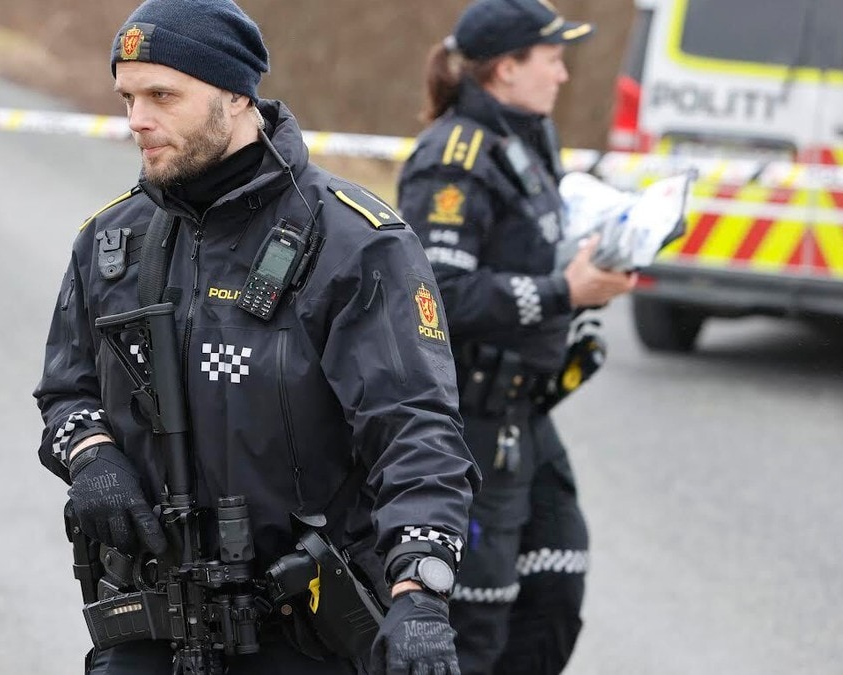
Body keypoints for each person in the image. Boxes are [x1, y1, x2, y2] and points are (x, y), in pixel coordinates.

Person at [33, 1, 480, 673]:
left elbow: (415, 429)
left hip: (302, 632)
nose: (137, 120)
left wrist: (420, 589)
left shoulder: (356, 243)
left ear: (237, 95)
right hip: (151, 624)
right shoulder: (111, 240)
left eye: (162, 96)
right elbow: (66, 389)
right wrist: (92, 455)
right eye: (128, 98)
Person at [396, 1, 638, 673]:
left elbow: (529, 246)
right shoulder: (455, 156)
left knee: (554, 595)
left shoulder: (529, 137)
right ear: (506, 69)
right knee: (473, 627)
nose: (563, 74)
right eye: (551, 60)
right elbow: (436, 296)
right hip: (469, 425)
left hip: (525, 414)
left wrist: (600, 254)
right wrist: (565, 291)